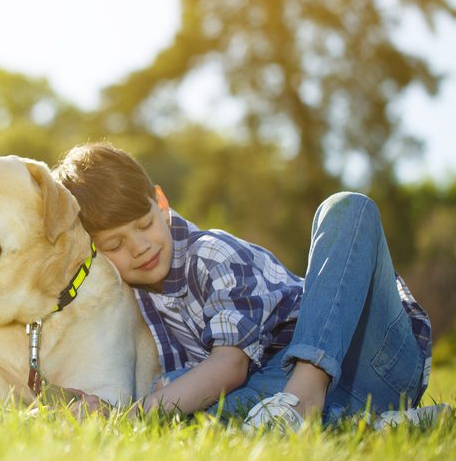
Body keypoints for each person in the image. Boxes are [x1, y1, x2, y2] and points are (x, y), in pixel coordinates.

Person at [51, 142, 435, 430]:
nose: (140, 247)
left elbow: (231, 365)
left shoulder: (209, 255)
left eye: (144, 224)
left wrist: (137, 416)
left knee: (347, 207)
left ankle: (307, 394)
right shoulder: (130, 299)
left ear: (161, 202)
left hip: (364, 360)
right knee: (192, 408)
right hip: (272, 391)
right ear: (93, 251)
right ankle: (368, 425)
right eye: (115, 245)